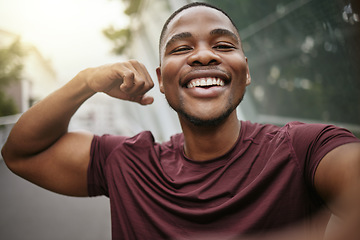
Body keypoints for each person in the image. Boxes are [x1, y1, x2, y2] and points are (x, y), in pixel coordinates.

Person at [2, 2, 360, 240]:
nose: (204, 54)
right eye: (181, 48)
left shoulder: (304, 148)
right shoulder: (130, 163)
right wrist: (86, 81)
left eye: (222, 45)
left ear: (245, 72)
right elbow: (21, 152)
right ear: (161, 78)